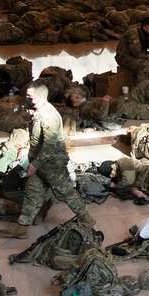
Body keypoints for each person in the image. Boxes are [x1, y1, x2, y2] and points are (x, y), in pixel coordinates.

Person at [9, 81, 89, 237]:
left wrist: (35, 164)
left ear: (39, 97)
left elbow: (49, 145)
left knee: (65, 192)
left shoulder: (48, 116)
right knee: (32, 191)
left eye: (30, 96)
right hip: (40, 162)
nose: (27, 98)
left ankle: (86, 218)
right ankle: (22, 227)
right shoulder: (38, 111)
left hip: (52, 163)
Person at [116, 16, 149, 88]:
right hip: (124, 57)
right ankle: (141, 90)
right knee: (144, 64)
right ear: (145, 27)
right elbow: (136, 52)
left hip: (138, 56)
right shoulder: (133, 33)